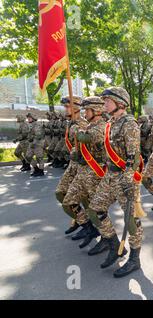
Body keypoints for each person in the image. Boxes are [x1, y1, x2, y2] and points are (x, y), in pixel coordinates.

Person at [86, 87, 145, 278]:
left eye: (107, 101)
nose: (104, 104)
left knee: (131, 220)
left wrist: (129, 179)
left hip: (124, 177)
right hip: (110, 176)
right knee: (95, 210)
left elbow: (134, 156)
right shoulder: (111, 122)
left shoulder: (129, 124)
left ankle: (135, 258)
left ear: (119, 103)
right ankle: (113, 244)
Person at [61, 96, 106, 250]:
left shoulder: (94, 126)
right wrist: (75, 151)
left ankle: (107, 238)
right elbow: (79, 146)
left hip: (94, 170)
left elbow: (87, 138)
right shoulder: (82, 124)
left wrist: (78, 132)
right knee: (68, 201)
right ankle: (88, 227)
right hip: (83, 168)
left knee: (96, 208)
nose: (65, 109)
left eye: (87, 109)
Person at [54, 96, 89, 236]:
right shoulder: (71, 123)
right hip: (73, 164)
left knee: (86, 200)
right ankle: (82, 221)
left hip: (84, 166)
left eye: (68, 107)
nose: (65, 109)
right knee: (61, 193)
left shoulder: (82, 124)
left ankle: (90, 227)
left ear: (76, 107)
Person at [25, 113, 45, 177]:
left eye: (29, 118)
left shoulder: (37, 125)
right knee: (28, 156)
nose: (28, 119)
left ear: (33, 118)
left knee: (39, 158)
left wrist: (33, 142)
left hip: (38, 144)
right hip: (32, 143)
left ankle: (41, 171)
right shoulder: (31, 124)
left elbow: (38, 136)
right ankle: (36, 169)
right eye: (28, 118)